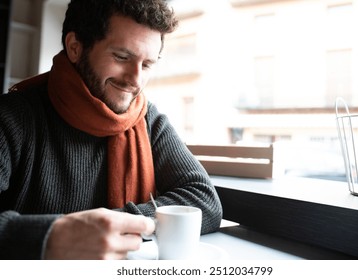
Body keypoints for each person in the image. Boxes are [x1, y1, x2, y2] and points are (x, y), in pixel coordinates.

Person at [0, 0, 222, 260]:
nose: (136, 80)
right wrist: (50, 236)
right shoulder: (11, 117)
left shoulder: (148, 120)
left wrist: (115, 225)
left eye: (147, 64)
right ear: (75, 48)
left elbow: (204, 200)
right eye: (122, 57)